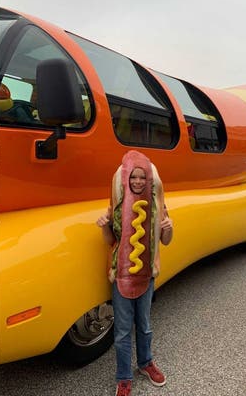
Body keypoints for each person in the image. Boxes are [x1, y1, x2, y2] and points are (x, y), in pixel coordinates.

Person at [96, 150, 173, 396]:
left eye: (142, 177)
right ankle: (123, 377)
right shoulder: (116, 207)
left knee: (145, 326)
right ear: (126, 179)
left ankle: (145, 363)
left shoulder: (158, 206)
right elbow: (110, 240)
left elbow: (166, 240)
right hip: (121, 275)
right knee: (121, 331)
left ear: (149, 179)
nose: (138, 181)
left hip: (147, 275)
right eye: (133, 177)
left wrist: (169, 227)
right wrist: (105, 225)